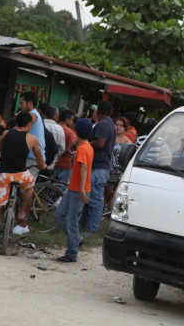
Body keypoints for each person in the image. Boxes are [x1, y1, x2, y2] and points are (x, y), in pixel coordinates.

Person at [0, 112, 47, 247]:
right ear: (29, 124)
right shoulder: (32, 139)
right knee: (30, 185)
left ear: (16, 121)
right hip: (21, 175)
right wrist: (43, 166)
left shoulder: (6, 133)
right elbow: (40, 161)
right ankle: (22, 212)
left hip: (4, 175)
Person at [54, 118, 94, 263]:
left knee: (71, 221)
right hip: (73, 189)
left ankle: (72, 253)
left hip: (78, 190)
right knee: (59, 215)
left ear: (76, 132)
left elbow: (83, 168)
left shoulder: (83, 149)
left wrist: (82, 189)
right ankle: (76, 239)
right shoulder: (87, 147)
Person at [80, 101, 116, 237]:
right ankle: (84, 223)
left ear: (98, 111)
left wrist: (86, 144)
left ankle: (92, 230)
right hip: (101, 166)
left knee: (95, 200)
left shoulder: (103, 124)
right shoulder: (110, 124)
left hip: (98, 166)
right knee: (90, 197)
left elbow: (100, 143)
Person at [105, 117, 133, 211]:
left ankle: (108, 214)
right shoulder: (110, 138)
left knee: (113, 194)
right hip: (107, 168)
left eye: (121, 125)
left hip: (119, 171)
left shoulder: (128, 142)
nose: (118, 127)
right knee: (105, 192)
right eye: (117, 124)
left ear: (125, 128)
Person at [19, 91, 45, 178]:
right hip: (29, 156)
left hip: (32, 158)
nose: (19, 106)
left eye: (21, 103)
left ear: (29, 103)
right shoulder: (34, 114)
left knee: (25, 189)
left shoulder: (33, 114)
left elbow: (30, 120)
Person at [53, 110, 78, 184]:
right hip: (64, 164)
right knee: (61, 187)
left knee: (52, 187)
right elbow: (68, 149)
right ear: (67, 119)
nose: (72, 122)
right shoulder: (69, 132)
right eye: (71, 120)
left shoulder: (54, 127)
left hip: (52, 163)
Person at [43, 106, 65, 171]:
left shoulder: (40, 124)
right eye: (58, 115)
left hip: (35, 164)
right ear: (55, 116)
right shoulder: (60, 129)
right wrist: (54, 159)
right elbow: (62, 148)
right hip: (50, 166)